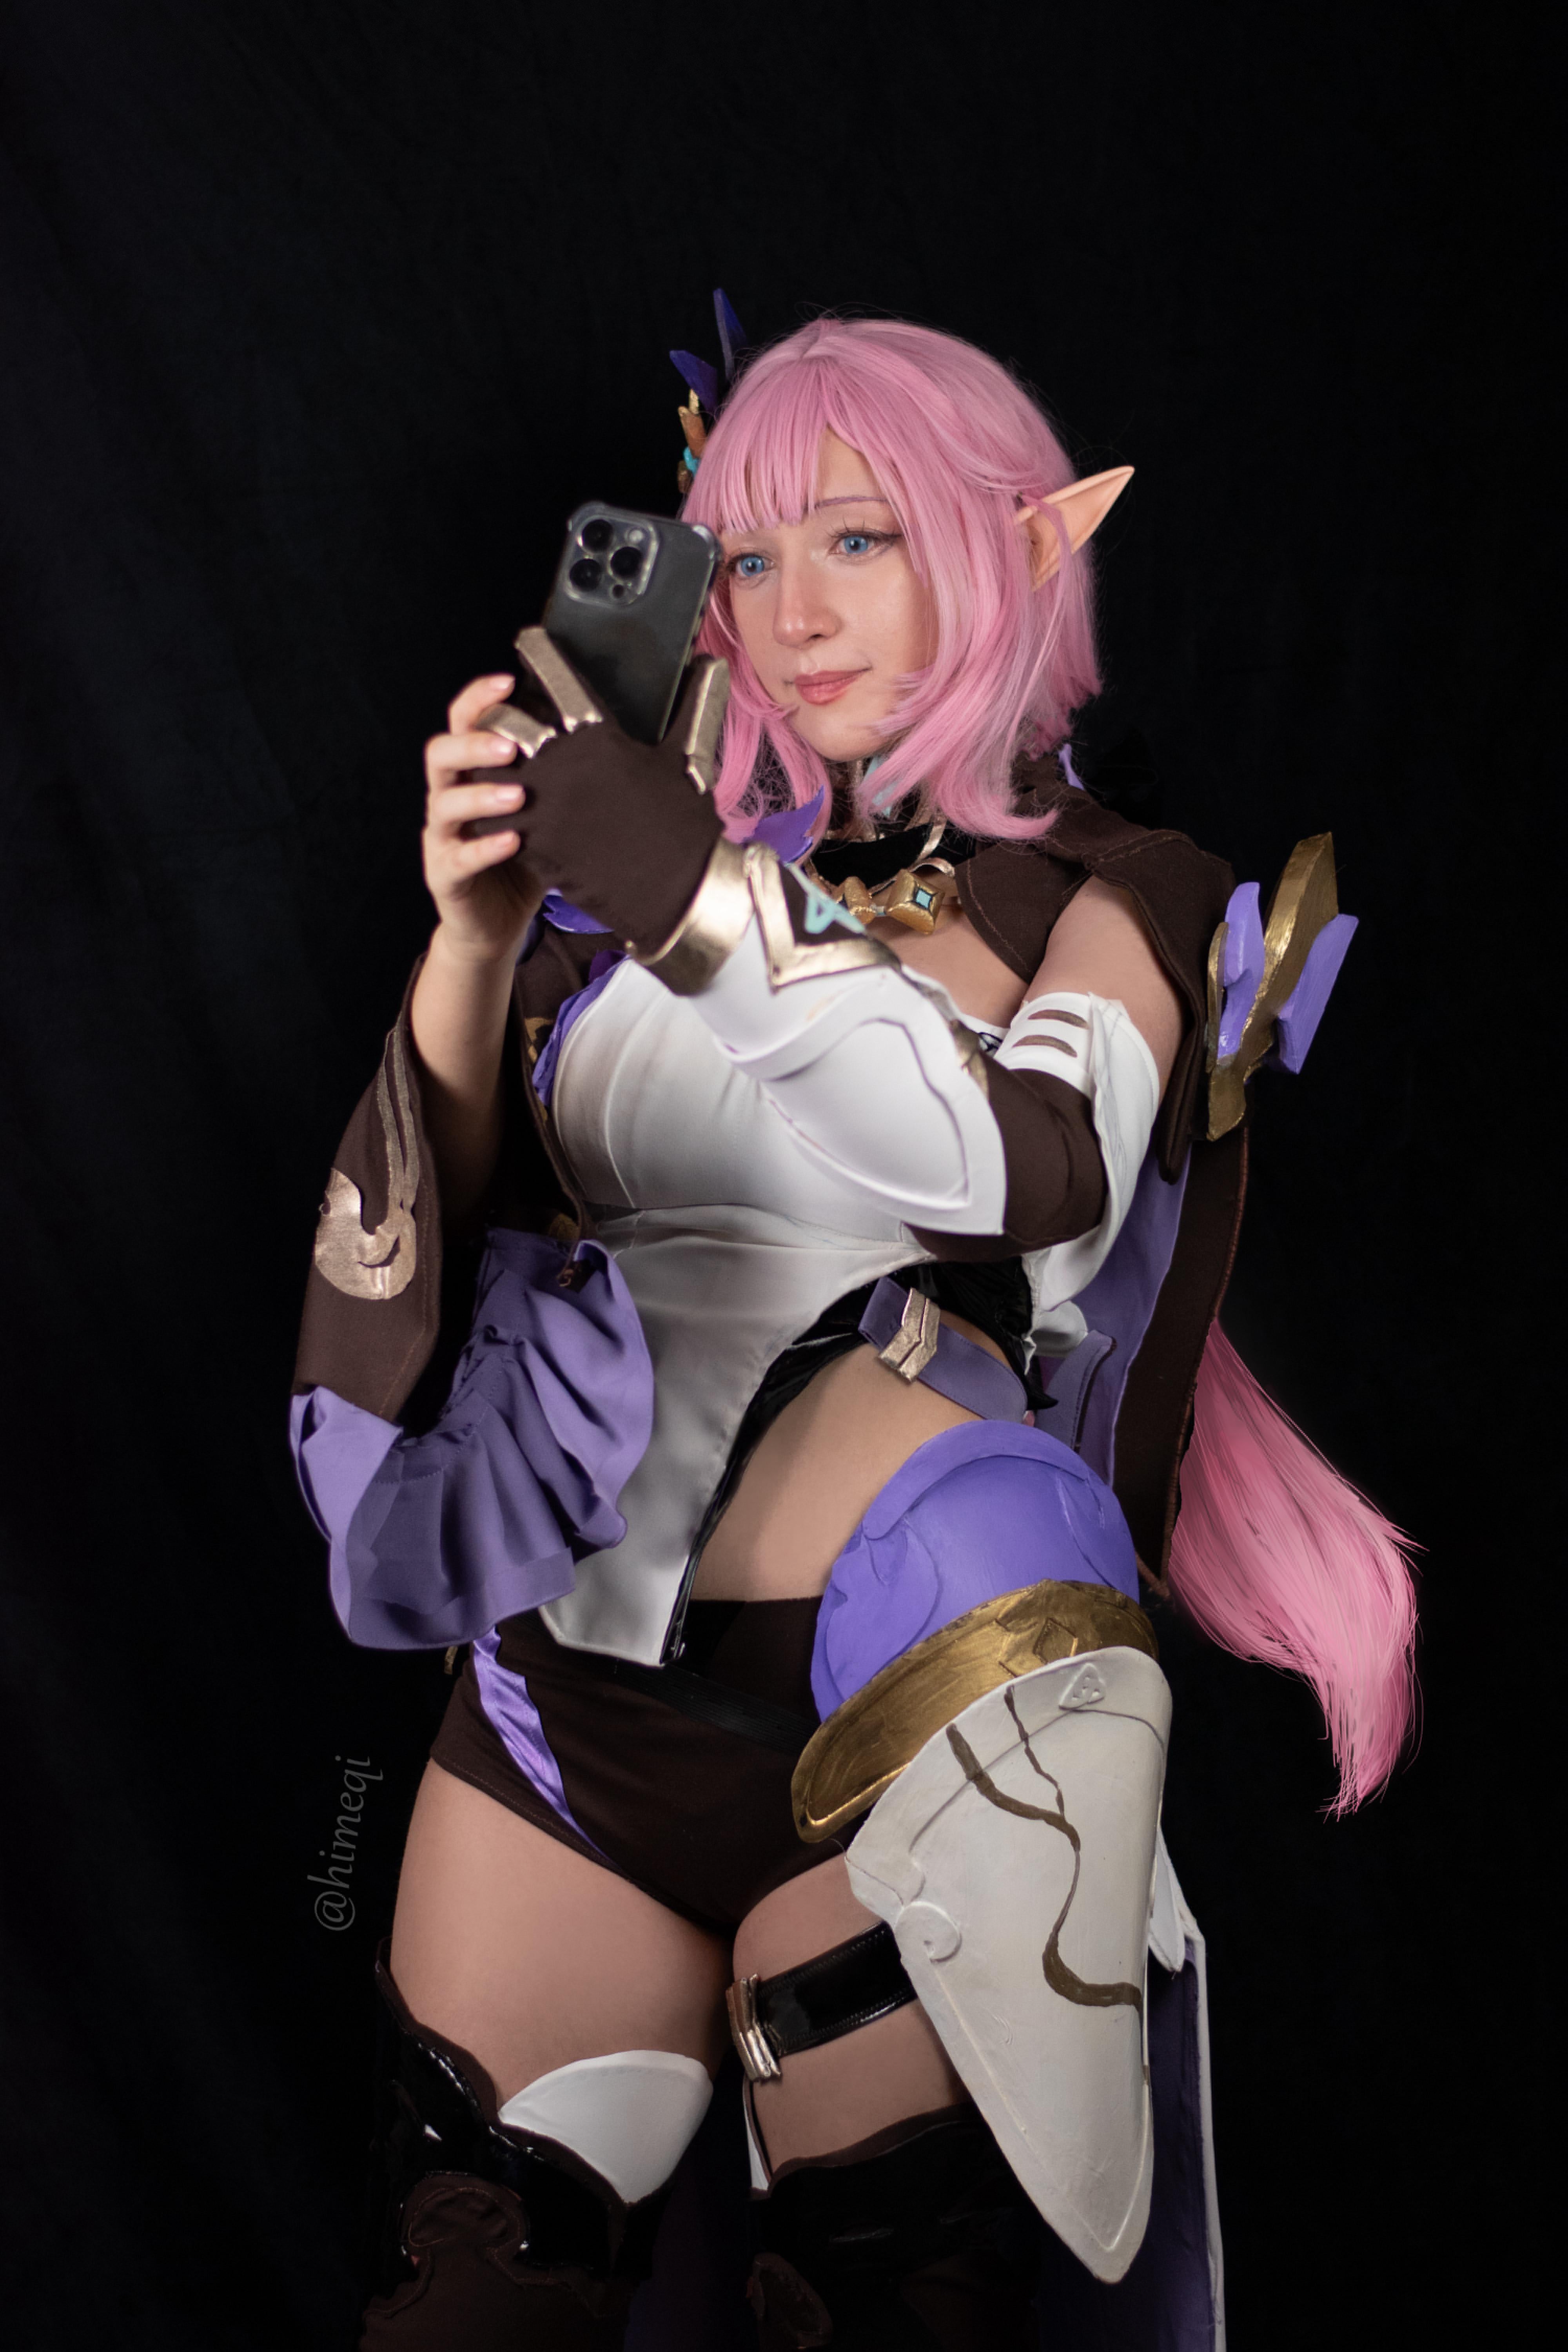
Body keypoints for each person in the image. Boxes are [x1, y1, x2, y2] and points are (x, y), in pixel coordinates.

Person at [290, 316, 1416, 2351]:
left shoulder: (1119, 893)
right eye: (747, 555)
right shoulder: (633, 892)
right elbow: (438, 1221)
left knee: (890, 2310)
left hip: (914, 1731)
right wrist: (472, 947)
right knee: (463, 2291)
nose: (792, 611)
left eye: (859, 539)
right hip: (563, 1714)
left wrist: (701, 908)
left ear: (1013, 549)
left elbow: (1034, 1168)